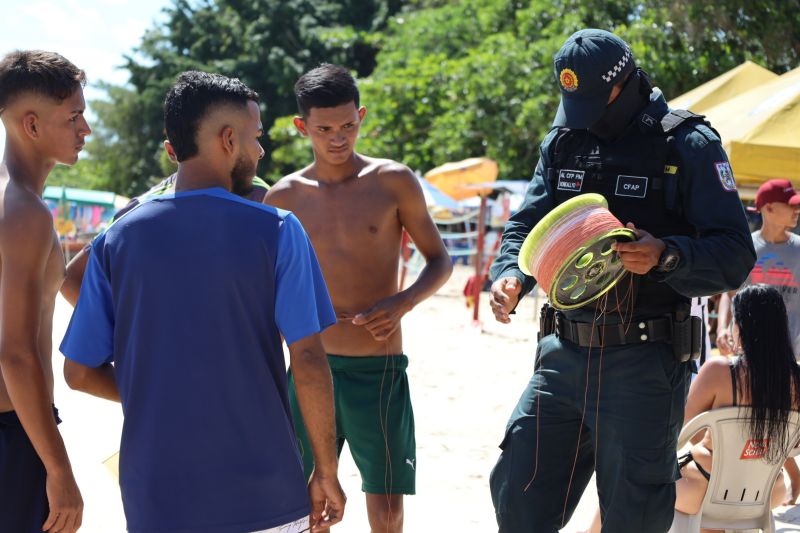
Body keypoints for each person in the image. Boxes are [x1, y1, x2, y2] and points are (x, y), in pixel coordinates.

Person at [488, 29, 756, 532]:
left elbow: (736, 254)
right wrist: (510, 277)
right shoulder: (565, 139)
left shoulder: (688, 143)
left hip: (643, 363)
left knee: (633, 516)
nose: (584, 117)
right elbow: (526, 224)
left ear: (625, 84)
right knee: (517, 493)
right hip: (560, 357)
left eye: (593, 102)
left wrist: (667, 255)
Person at [60, 71, 345, 533]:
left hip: (156, 495)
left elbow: (77, 373)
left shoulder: (119, 237)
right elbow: (309, 358)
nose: (260, 152)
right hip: (265, 489)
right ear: (228, 139)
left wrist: (155, 391)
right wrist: (327, 472)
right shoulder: (276, 229)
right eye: (255, 138)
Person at [264, 63, 452, 533]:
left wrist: (402, 302)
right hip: (311, 367)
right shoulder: (284, 198)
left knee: (387, 506)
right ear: (301, 126)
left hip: (379, 367)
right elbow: (264, 287)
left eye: (348, 125)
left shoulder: (393, 181)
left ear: (361, 116)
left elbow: (439, 261)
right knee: (303, 500)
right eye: (324, 129)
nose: (337, 138)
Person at [583, 284, 799, 533]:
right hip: (767, 491)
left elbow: (677, 430)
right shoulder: (795, 381)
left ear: (741, 327)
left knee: (624, 480)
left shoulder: (721, 371)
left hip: (705, 489)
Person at [0, 50, 88, 533]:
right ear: (31, 126)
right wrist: (59, 470)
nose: (85, 129)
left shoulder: (15, 201)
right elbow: (14, 353)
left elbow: (59, 284)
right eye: (73, 116)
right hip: (14, 433)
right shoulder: (24, 212)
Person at [59, 138, 270, 307]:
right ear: (172, 151)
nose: (260, 151)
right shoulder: (141, 209)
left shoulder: (260, 196)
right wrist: (125, 340)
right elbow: (73, 278)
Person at [716, 178, 800, 504]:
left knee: (776, 415)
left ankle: (783, 477)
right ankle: (783, 478)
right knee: (759, 413)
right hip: (750, 350)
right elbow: (730, 291)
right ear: (767, 208)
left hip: (790, 349)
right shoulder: (747, 248)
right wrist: (723, 326)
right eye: (789, 205)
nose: (796, 211)